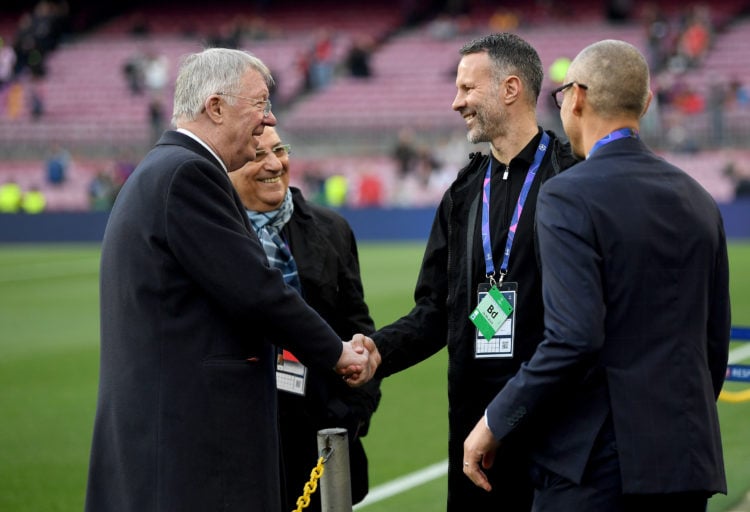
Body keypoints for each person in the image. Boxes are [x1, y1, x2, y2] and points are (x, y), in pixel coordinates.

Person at [85, 48, 377, 512]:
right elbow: (257, 292)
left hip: (167, 437)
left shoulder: (163, 168)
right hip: (190, 448)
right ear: (216, 106)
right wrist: (339, 352)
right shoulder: (189, 174)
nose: (269, 117)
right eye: (260, 103)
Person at [463, 39, 730, 511]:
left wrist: (495, 420)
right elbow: (713, 345)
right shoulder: (699, 200)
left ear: (578, 97)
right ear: (645, 104)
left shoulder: (569, 195)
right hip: (686, 459)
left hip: (594, 467)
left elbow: (574, 337)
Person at [367, 33, 577, 511]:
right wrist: (377, 352)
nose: (455, 101)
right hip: (473, 442)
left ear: (510, 88)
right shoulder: (463, 192)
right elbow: (434, 311)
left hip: (554, 438)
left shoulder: (570, 179)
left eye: (467, 88)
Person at [228, 126, 381, 511]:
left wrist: (351, 415)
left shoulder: (332, 230)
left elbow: (359, 328)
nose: (273, 164)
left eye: (279, 150)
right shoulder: (216, 237)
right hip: (244, 441)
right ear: (228, 166)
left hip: (321, 437)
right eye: (258, 155)